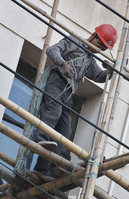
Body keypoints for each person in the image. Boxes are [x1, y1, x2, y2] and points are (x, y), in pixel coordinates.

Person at [32, 24, 118, 180]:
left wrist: (111, 71)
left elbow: (99, 76)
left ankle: (44, 168)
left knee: (64, 132)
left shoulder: (90, 60)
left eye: (102, 49)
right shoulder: (74, 41)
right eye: (99, 45)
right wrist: (63, 64)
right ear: (93, 35)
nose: (98, 50)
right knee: (53, 112)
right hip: (57, 81)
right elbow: (52, 50)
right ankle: (39, 140)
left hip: (68, 92)